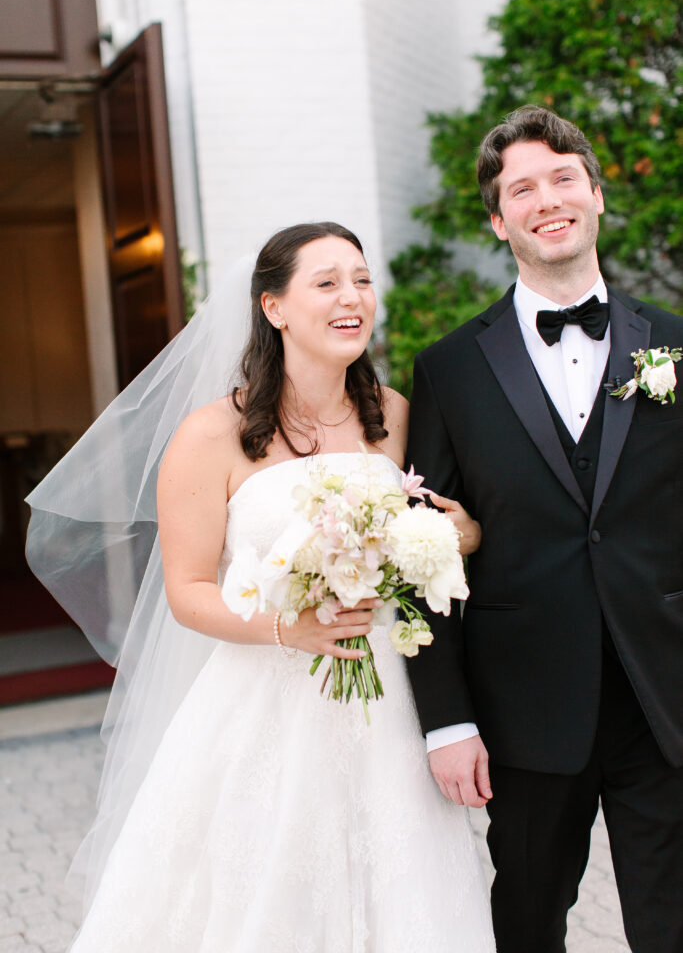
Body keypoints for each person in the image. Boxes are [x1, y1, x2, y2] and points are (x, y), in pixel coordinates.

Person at [27, 222, 496, 952]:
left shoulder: (396, 415)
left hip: (389, 710)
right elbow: (186, 590)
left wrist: (458, 533)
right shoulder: (209, 435)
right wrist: (288, 629)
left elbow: (432, 546)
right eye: (327, 282)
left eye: (362, 280)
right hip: (264, 706)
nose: (352, 298)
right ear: (273, 307)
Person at [405, 105, 683, 953]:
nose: (546, 200)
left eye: (563, 179)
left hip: (663, 694)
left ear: (597, 196)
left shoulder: (673, 345)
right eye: (520, 188)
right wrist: (446, 721)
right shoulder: (448, 368)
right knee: (524, 920)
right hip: (522, 707)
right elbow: (423, 558)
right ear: (497, 219)